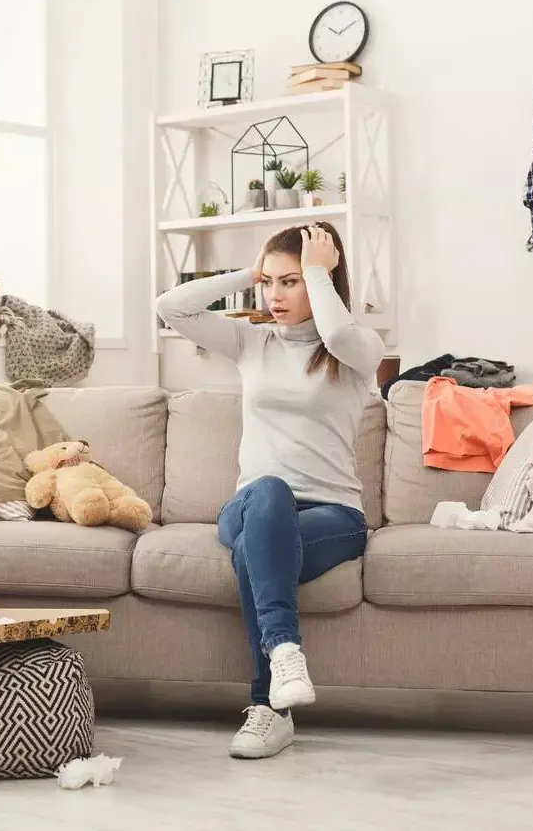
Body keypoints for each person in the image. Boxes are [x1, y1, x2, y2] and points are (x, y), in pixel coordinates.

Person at [154, 222, 383, 759]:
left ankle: (268, 710)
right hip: (253, 502)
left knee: (257, 555)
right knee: (269, 494)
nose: (274, 296)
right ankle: (284, 652)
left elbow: (341, 335)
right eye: (269, 283)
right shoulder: (250, 340)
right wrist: (246, 272)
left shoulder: (356, 353)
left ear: (323, 282)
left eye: (291, 282)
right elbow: (171, 306)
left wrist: (318, 273)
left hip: (333, 515)